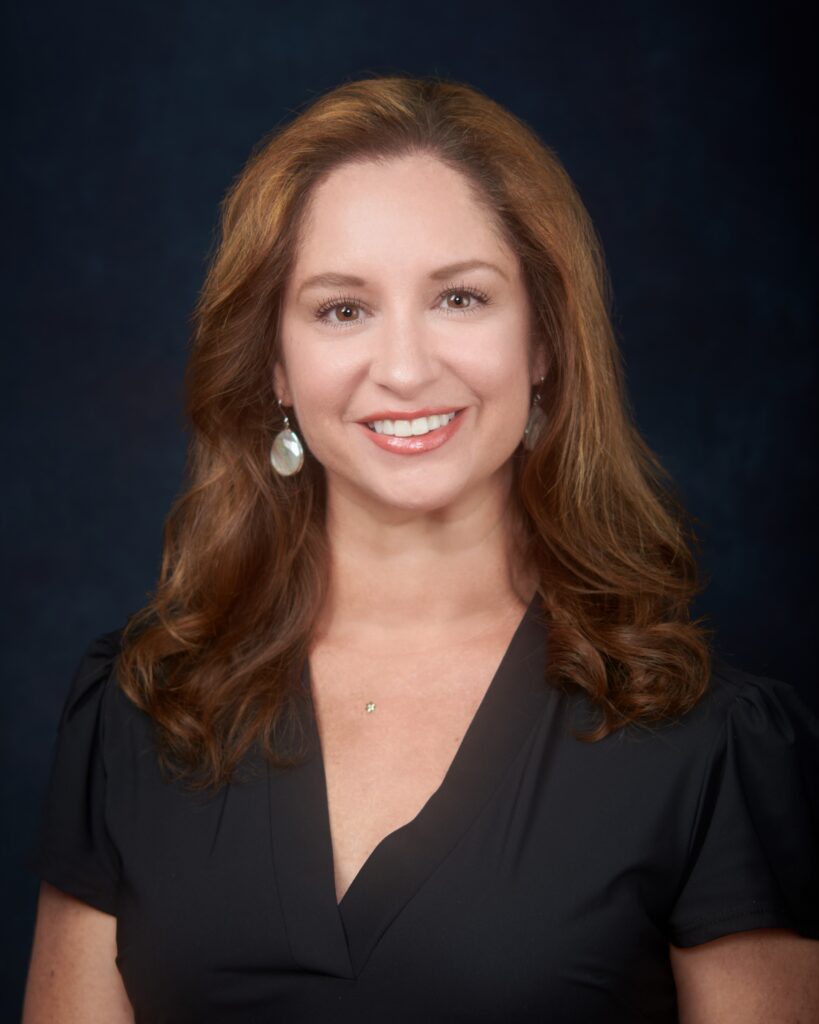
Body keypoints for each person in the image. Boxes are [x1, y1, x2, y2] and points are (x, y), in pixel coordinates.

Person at [22, 74, 819, 1023]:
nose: (403, 369)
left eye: (459, 298)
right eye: (341, 309)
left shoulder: (711, 742)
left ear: (544, 341)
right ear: (275, 364)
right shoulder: (139, 709)